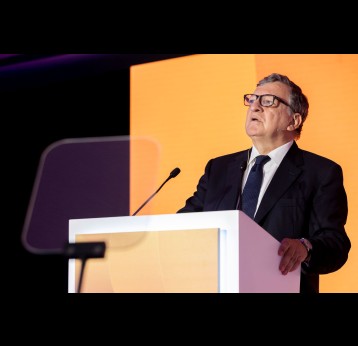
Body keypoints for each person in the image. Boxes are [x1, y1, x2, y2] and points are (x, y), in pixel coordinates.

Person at [177, 73, 351, 293]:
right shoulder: (218, 169)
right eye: (252, 99)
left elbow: (335, 244)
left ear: (294, 121)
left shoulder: (320, 172)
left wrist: (306, 248)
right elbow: (184, 225)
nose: (255, 107)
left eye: (268, 101)